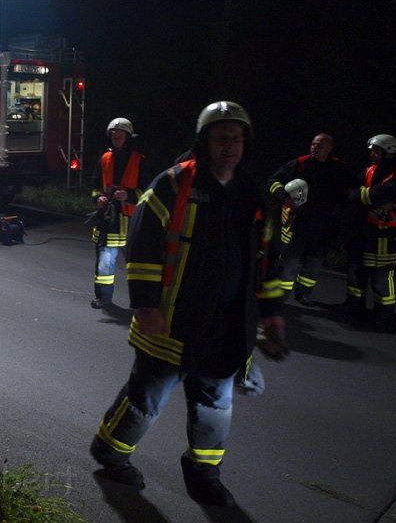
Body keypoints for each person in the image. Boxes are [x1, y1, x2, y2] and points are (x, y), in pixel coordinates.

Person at [89, 101, 286, 506]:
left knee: (216, 404)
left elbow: (267, 260)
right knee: (146, 398)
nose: (229, 145)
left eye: (236, 137)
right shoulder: (174, 184)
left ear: (245, 142)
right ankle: (110, 452)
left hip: (228, 327)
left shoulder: (253, 195)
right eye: (221, 137)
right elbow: (142, 246)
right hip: (172, 319)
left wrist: (270, 313)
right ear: (205, 141)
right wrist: (145, 305)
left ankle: (203, 473)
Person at [266, 133, 358, 306]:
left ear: (329, 148)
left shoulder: (338, 168)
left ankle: (304, 294)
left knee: (314, 263)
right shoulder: (300, 164)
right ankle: (281, 295)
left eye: (320, 145)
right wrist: (284, 197)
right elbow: (273, 180)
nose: (315, 147)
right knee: (290, 261)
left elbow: (355, 186)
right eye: (313, 144)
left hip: (324, 225)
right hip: (299, 221)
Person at [338, 134, 396, 329]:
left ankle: (383, 314)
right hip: (366, 231)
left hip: (387, 235)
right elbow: (360, 189)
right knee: (357, 268)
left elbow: (378, 194)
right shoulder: (370, 171)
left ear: (389, 153)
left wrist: (358, 195)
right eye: (372, 151)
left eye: (377, 151)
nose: (372, 155)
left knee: (382, 276)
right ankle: (354, 305)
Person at [88, 117, 147, 309]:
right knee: (105, 262)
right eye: (113, 135)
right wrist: (98, 198)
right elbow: (95, 184)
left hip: (132, 219)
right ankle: (103, 297)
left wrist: (129, 195)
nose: (116, 138)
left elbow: (148, 191)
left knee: (137, 264)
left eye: (120, 135)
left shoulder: (140, 160)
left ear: (128, 137)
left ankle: (142, 302)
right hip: (109, 219)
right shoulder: (105, 158)